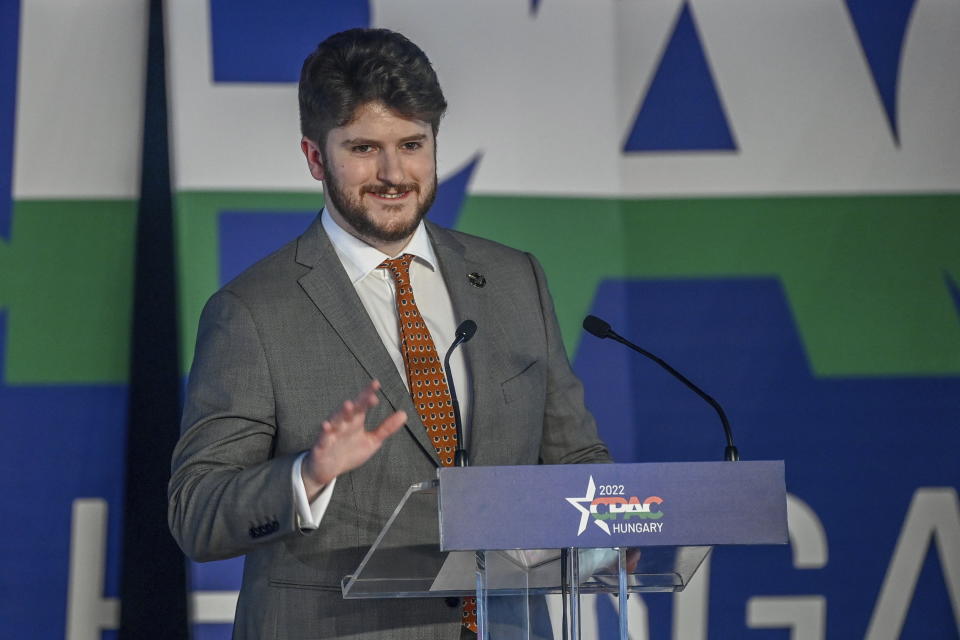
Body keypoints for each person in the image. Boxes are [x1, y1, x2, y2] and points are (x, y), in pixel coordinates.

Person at [168, 28, 610, 640]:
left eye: (412, 144)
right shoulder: (252, 311)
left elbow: (575, 459)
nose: (394, 173)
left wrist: (612, 532)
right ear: (315, 157)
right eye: (364, 148)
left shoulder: (513, 280)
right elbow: (196, 512)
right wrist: (309, 474)